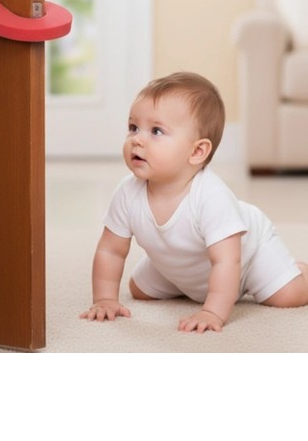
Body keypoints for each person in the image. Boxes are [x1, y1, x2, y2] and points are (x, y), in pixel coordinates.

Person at [80, 72, 308, 333]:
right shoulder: (126, 192)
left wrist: (212, 312)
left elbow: (226, 262)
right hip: (181, 264)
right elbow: (111, 250)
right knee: (139, 291)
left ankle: (300, 271)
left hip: (247, 258)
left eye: (156, 131)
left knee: (289, 295)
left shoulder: (212, 197)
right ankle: (178, 274)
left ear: (197, 151)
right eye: (133, 127)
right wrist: (105, 299)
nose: (137, 139)